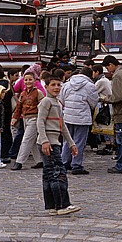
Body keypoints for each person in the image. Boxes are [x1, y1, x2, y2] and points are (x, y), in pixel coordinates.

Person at [37, 75, 80, 215]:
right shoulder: (46, 102)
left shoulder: (57, 103)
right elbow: (40, 122)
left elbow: (62, 126)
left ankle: (52, 206)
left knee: (49, 174)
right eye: (53, 85)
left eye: (58, 85)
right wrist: (44, 140)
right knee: (58, 173)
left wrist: (71, 143)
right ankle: (62, 205)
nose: (56, 87)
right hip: (49, 143)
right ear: (46, 87)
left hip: (54, 141)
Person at [58, 66, 99, 175]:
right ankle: (76, 165)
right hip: (82, 117)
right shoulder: (90, 86)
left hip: (67, 116)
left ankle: (64, 162)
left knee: (67, 141)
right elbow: (94, 102)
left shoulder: (67, 84)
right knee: (79, 142)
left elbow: (61, 99)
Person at [10, 71, 45, 170]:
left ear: (35, 81)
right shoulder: (23, 94)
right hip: (25, 119)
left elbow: (43, 107)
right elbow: (19, 107)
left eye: (30, 79)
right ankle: (39, 160)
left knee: (26, 140)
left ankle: (19, 161)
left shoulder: (38, 93)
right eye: (26, 80)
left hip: (34, 118)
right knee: (32, 141)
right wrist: (15, 118)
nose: (28, 81)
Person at [91, 64, 113, 154]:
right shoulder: (105, 79)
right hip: (108, 104)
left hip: (105, 105)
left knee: (105, 124)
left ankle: (108, 145)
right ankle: (110, 144)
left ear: (97, 72)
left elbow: (92, 91)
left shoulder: (101, 81)